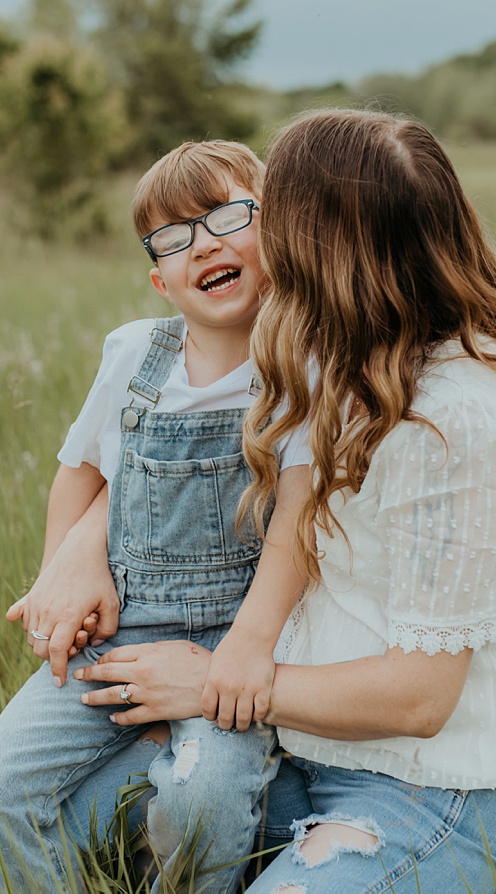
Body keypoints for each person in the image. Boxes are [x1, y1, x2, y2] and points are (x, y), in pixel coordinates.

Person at [77, 108, 496, 891]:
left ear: (318, 249)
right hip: (295, 746)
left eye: (267, 217)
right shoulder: (339, 355)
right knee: (59, 817)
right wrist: (77, 550)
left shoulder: (456, 419)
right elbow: (171, 464)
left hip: (421, 788)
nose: (239, 241)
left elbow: (420, 698)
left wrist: (207, 680)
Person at [0, 140, 313, 893]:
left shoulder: (300, 366)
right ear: (161, 280)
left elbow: (295, 531)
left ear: (274, 230)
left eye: (225, 216)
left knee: (204, 798)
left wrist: (244, 655)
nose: (204, 244)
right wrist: (63, 579)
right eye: (175, 238)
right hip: (122, 630)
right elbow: (77, 474)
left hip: (236, 640)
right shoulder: (134, 355)